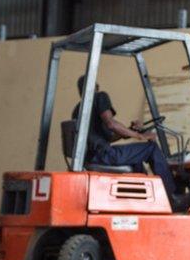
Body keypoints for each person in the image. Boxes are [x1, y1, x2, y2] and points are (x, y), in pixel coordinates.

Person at [71, 75, 179, 203]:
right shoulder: (100, 96)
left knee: (136, 159)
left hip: (94, 156)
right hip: (104, 155)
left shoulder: (78, 110)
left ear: (80, 91)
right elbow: (111, 124)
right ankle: (172, 198)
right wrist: (140, 136)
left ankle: (143, 198)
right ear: (96, 87)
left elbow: (110, 137)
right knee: (151, 148)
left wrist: (130, 130)